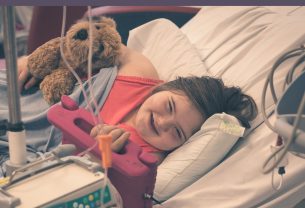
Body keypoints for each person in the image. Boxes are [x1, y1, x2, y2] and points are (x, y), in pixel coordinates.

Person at [18, 44, 258, 164]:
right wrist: (43, 56)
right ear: (164, 87)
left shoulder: (145, 155)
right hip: (24, 92)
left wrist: (102, 153)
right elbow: (99, 42)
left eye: (176, 132)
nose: (161, 122)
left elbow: (232, 131)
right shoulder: (140, 74)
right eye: (170, 106)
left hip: (23, 144)